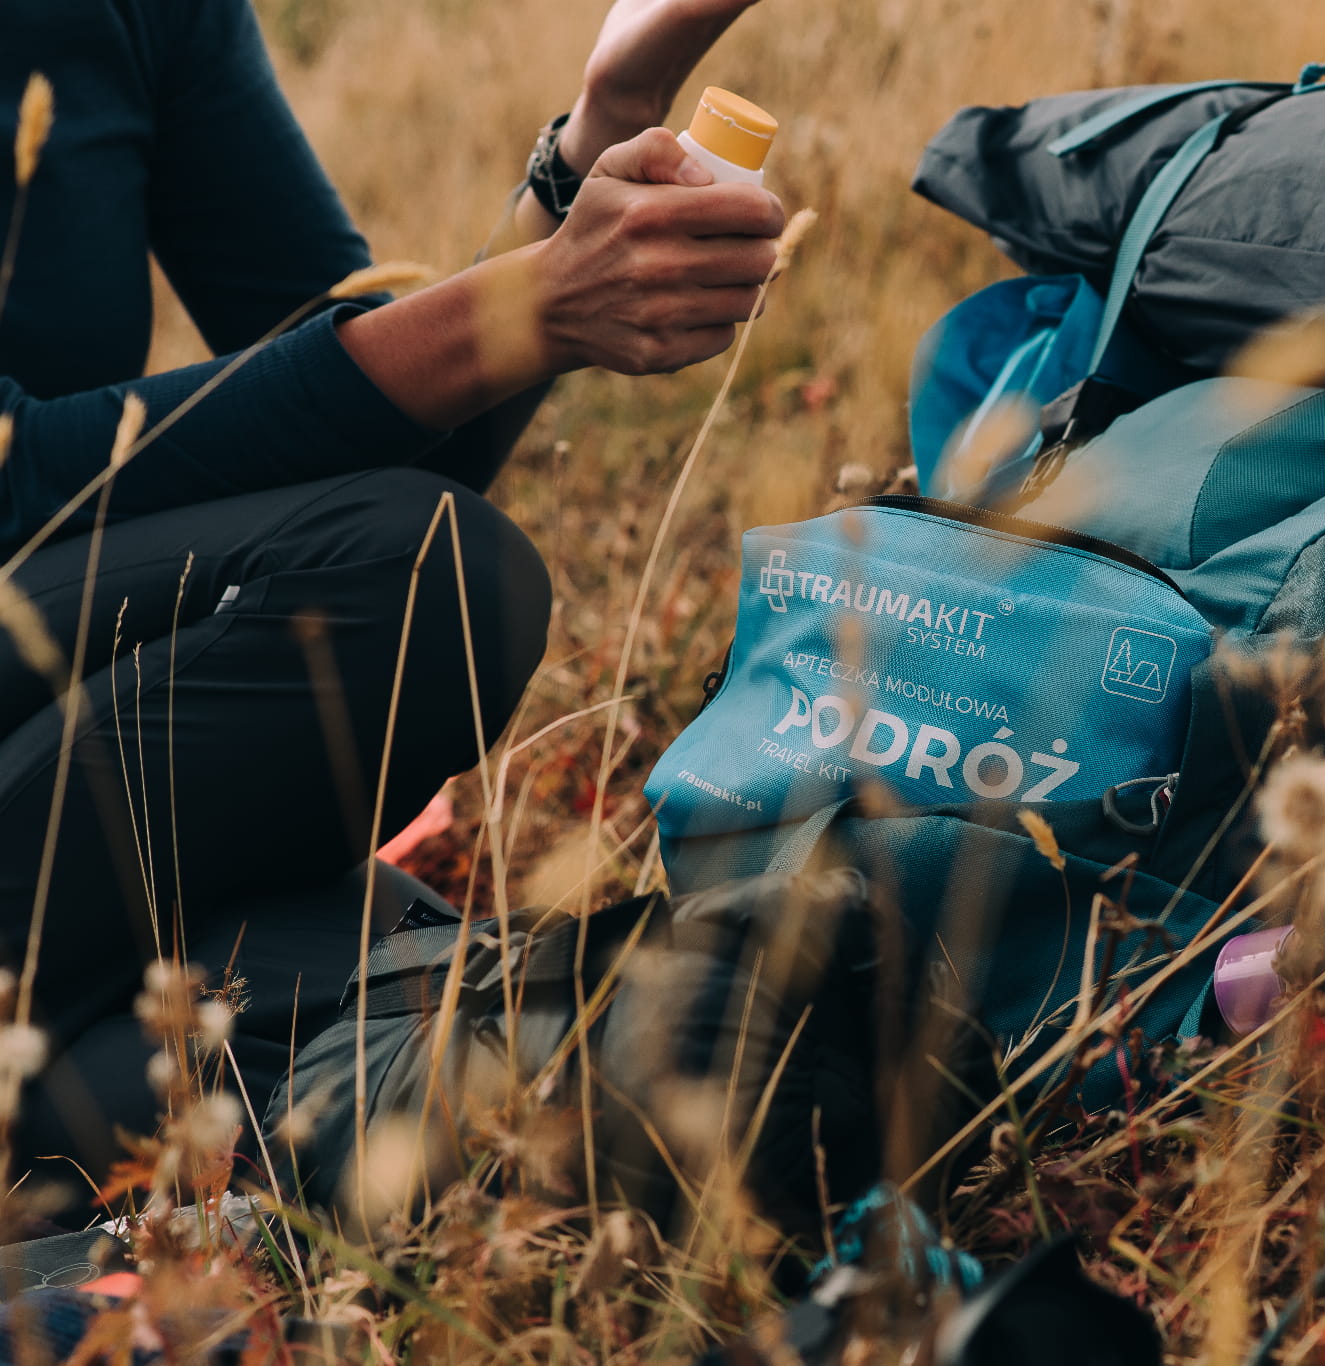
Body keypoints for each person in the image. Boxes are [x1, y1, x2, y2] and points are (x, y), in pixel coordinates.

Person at [0, 0, 784, 1211]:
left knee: (473, 1022)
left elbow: (386, 415)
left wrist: (607, 121)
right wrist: (530, 305)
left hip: (57, 772)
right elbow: (25, 481)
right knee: (426, 573)